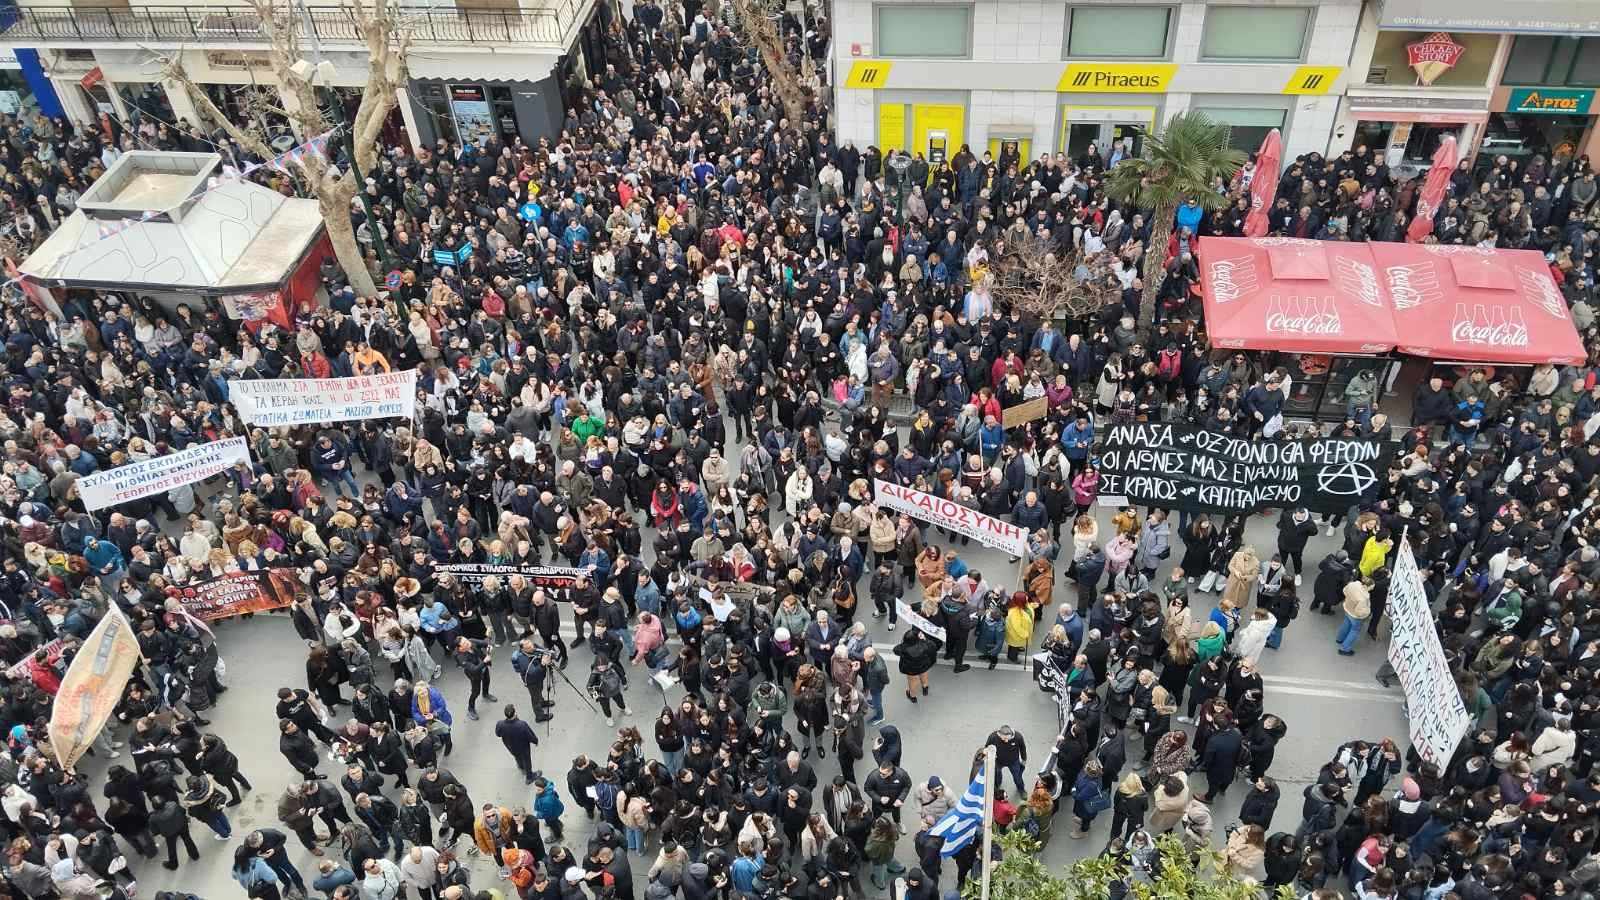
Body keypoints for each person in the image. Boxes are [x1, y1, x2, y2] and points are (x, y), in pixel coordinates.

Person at [494, 704, 541, 783]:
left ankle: (521, 767)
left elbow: (498, 734)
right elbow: (530, 736)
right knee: (527, 760)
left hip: (510, 747)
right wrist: (535, 741)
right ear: (515, 713)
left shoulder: (500, 724)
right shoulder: (522, 725)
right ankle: (529, 777)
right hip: (523, 748)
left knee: (517, 757)